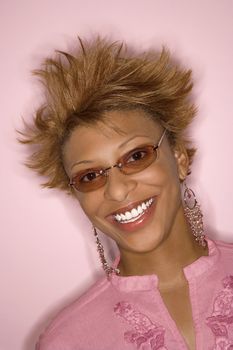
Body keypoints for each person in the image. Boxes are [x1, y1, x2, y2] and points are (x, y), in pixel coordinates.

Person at [20, 37, 233, 350]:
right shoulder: (66, 341)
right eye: (90, 176)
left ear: (179, 158)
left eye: (136, 156)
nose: (117, 190)